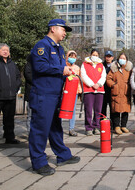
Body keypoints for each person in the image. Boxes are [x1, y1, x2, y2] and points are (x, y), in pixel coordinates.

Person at [29, 19, 80, 176]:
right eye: (63, 29)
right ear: (53, 29)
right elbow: (40, 67)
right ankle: (38, 162)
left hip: (55, 94)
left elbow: (59, 70)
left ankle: (63, 155)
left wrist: (68, 75)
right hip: (43, 94)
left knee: (55, 126)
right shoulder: (42, 46)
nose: (65, 33)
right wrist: (63, 69)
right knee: (40, 129)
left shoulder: (58, 49)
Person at [0, 43, 21, 144]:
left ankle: (9, 137)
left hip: (11, 96)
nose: (5, 51)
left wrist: (16, 87)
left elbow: (18, 76)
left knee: (9, 119)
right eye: (3, 50)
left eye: (7, 50)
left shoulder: (12, 63)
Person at [81, 49, 106, 136]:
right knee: (88, 110)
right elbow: (83, 75)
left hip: (99, 90)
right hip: (89, 90)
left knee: (98, 110)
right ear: (90, 55)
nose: (94, 56)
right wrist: (91, 84)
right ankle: (88, 127)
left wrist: (98, 84)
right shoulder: (84, 64)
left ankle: (96, 126)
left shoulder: (101, 65)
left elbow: (103, 76)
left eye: (96, 55)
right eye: (93, 54)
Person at [107, 53, 133, 135]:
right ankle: (116, 126)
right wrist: (114, 85)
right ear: (118, 59)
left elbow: (132, 79)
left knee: (125, 110)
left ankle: (124, 126)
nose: (122, 59)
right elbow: (108, 79)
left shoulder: (129, 69)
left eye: (124, 58)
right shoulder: (113, 69)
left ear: (126, 60)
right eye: (121, 58)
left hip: (126, 92)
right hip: (116, 92)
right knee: (116, 110)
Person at [65, 50, 82, 136]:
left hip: (74, 91)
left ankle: (71, 128)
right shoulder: (64, 66)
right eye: (70, 56)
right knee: (61, 109)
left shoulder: (77, 68)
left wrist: (79, 91)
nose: (72, 58)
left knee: (72, 110)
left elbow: (79, 81)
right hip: (64, 91)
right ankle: (57, 128)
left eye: (74, 57)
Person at [101, 50, 114, 119]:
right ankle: (102, 122)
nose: (108, 58)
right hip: (103, 89)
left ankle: (112, 123)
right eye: (107, 56)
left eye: (110, 56)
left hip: (112, 89)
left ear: (112, 57)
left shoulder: (115, 66)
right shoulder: (101, 65)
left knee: (112, 107)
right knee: (103, 107)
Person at [24, 54, 32, 134]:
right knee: (30, 115)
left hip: (39, 94)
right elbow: (28, 76)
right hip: (31, 94)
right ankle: (30, 132)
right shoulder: (28, 65)